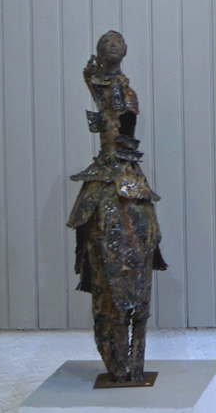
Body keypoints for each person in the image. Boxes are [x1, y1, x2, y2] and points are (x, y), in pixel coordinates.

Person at [68, 31, 168, 386]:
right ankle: (119, 364)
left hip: (125, 181)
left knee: (138, 279)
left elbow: (122, 117)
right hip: (108, 181)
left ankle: (133, 364)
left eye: (119, 43)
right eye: (107, 43)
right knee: (105, 283)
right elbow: (97, 82)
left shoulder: (126, 91)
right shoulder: (101, 82)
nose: (114, 46)